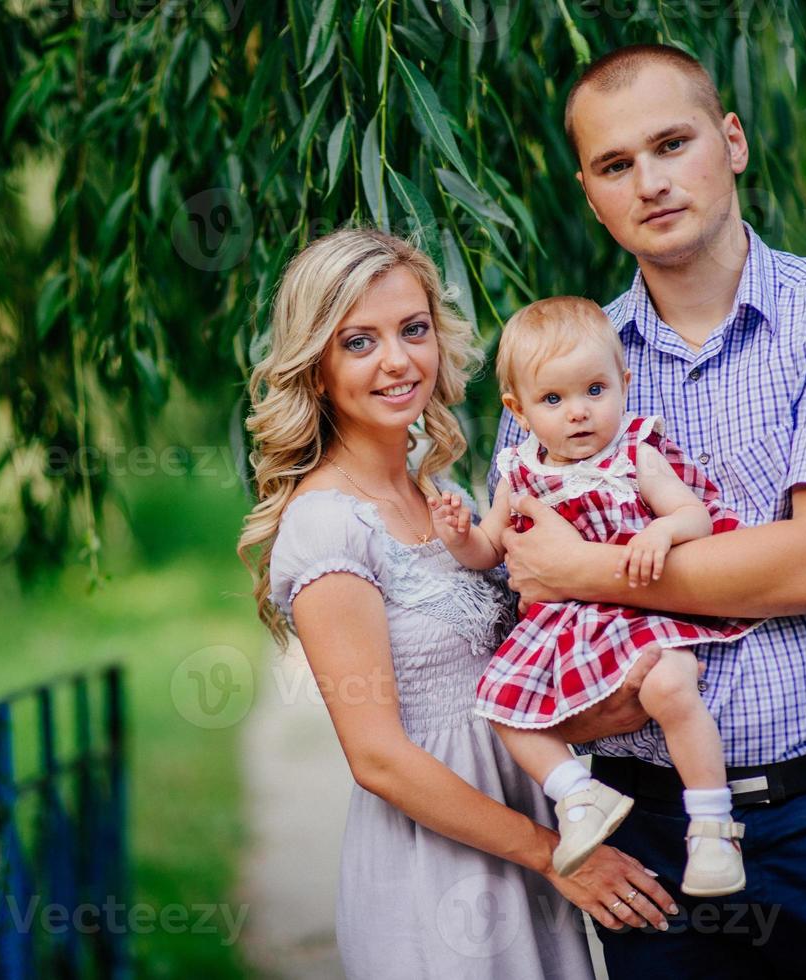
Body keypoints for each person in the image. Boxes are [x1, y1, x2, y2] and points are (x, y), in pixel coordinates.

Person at [487, 44, 806, 976]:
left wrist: (589, 572)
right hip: (652, 840)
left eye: (672, 144)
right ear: (588, 192)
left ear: (732, 142)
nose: (651, 182)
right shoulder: (560, 372)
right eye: (616, 165)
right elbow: (530, 619)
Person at [238, 228, 676, 978]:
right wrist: (554, 857)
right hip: (436, 866)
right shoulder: (327, 522)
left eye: (412, 330)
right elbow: (377, 758)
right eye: (358, 342)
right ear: (315, 368)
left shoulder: (445, 494)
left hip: (527, 839)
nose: (397, 360)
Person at [430, 296, 760, 897]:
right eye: (553, 400)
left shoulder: (635, 452)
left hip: (643, 609)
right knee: (502, 705)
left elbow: (695, 517)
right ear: (519, 409)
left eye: (595, 390)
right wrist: (460, 535)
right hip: (562, 627)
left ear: (624, 383)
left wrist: (662, 529)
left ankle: (711, 826)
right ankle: (578, 793)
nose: (579, 413)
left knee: (670, 687)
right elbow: (492, 550)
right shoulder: (520, 471)